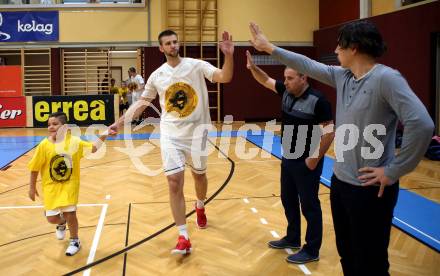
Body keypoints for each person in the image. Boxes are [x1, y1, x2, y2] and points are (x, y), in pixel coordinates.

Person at [249, 21, 434, 275]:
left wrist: (394, 170)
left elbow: (422, 124)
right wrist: (269, 47)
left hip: (370, 190)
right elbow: (308, 65)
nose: (336, 50)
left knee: (371, 261)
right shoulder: (343, 76)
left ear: (354, 48)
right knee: (347, 254)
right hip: (341, 183)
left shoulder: (386, 79)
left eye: (340, 45)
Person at [108, 29, 234, 255]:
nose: (173, 45)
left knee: (199, 176)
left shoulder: (196, 65)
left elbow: (225, 77)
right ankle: (183, 235)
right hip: (170, 134)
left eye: (175, 42)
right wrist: (120, 122)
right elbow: (142, 104)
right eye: (168, 43)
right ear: (161, 48)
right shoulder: (157, 75)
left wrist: (229, 55)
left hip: (197, 134)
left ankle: (200, 205)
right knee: (174, 182)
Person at [246, 51, 334, 264]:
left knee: (309, 205)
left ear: (304, 78)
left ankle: (312, 250)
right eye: (285, 78)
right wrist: (252, 68)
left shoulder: (318, 100)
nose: (285, 82)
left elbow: (329, 131)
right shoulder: (285, 92)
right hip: (288, 157)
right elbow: (265, 80)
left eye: (290, 78)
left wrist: (313, 159)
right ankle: (293, 237)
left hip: (307, 162)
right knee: (288, 200)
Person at [28, 111, 108, 256]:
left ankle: (74, 240)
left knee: (71, 213)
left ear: (64, 127)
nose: (51, 127)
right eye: (49, 125)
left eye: (54, 124)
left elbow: (93, 148)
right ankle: (61, 222)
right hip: (50, 187)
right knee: (51, 218)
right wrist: (32, 187)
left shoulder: (74, 142)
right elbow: (34, 168)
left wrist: (105, 134)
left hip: (69, 185)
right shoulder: (44, 145)